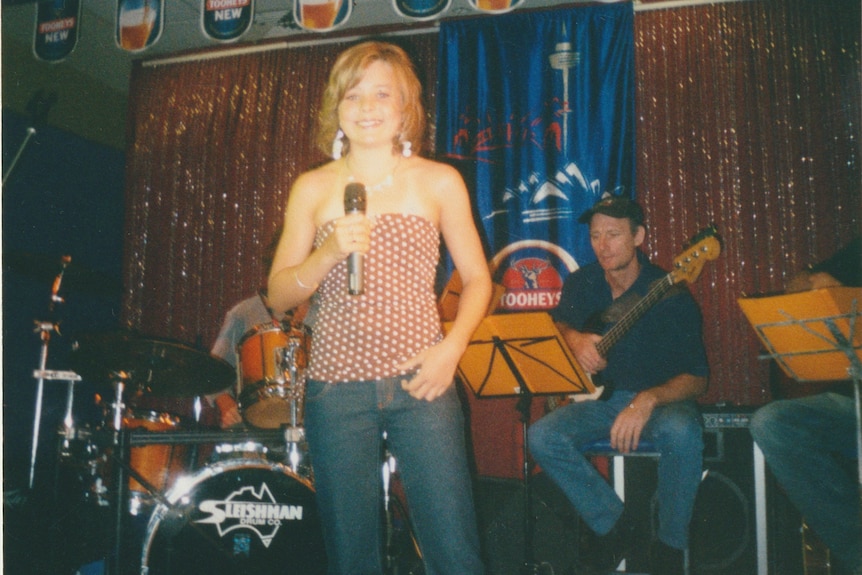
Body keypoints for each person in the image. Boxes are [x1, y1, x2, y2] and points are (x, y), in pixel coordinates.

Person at [266, 41, 491, 575]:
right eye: (353, 95)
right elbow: (277, 294)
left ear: (405, 105)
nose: (366, 106)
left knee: (455, 549)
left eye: (381, 94)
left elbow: (480, 280)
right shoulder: (313, 187)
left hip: (423, 379)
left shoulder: (439, 181)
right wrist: (327, 252)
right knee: (352, 556)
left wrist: (450, 350)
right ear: (336, 107)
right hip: (336, 387)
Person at [527, 196, 710, 575]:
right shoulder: (582, 283)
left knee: (682, 429)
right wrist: (575, 339)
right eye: (596, 236)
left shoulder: (670, 293)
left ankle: (669, 546)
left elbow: (698, 378)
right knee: (542, 436)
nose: (603, 245)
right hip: (601, 400)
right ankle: (616, 525)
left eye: (613, 234)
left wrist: (647, 399)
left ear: (638, 236)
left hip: (661, 404)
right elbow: (556, 325)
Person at [749, 236, 862, 575]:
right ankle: (856, 551)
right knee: (771, 422)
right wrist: (821, 281)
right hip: (851, 405)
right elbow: (798, 281)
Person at [208, 228, 289, 429]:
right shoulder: (244, 313)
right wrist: (228, 407)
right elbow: (211, 373)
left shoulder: (323, 312)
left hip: (318, 424)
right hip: (257, 425)